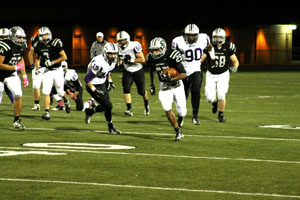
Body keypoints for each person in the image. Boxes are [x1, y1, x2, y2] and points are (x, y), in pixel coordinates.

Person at [172, 23, 214, 126]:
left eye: (193, 35)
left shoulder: (204, 38)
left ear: (197, 34)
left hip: (196, 69)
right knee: (182, 96)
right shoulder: (177, 41)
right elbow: (173, 57)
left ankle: (195, 116)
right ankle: (181, 116)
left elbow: (209, 47)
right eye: (189, 35)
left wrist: (212, 58)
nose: (191, 37)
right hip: (182, 71)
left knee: (196, 92)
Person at [147, 37, 187, 142]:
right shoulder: (151, 58)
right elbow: (152, 70)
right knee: (167, 108)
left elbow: (183, 74)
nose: (154, 53)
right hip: (164, 86)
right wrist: (152, 84)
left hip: (177, 85)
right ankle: (177, 130)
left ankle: (180, 118)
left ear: (163, 48)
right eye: (152, 50)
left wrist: (171, 78)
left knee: (182, 111)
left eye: (157, 50)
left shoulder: (172, 55)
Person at [201, 28, 239, 122]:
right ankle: (215, 102)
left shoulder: (228, 47)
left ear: (223, 38)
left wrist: (235, 67)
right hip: (210, 74)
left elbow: (235, 61)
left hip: (223, 74)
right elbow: (201, 59)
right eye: (215, 37)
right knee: (209, 98)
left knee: (221, 95)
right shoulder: (209, 47)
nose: (217, 39)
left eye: (219, 37)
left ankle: (221, 114)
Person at [84, 42, 121, 134]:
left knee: (106, 107)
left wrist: (110, 80)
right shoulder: (98, 62)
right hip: (92, 84)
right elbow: (87, 78)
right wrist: (94, 90)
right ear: (105, 53)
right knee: (109, 106)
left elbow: (107, 71)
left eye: (114, 53)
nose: (113, 56)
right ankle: (111, 127)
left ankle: (90, 111)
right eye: (110, 54)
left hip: (102, 83)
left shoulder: (112, 60)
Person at [34, 26, 69, 120]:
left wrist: (53, 62)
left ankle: (66, 100)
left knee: (60, 92)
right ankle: (47, 112)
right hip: (47, 71)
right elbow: (37, 58)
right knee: (46, 91)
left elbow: (64, 57)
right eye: (42, 35)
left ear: (49, 34)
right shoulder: (38, 45)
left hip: (57, 70)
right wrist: (37, 68)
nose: (45, 37)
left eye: (46, 34)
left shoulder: (55, 43)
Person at [0, 26, 28, 129]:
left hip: (11, 74)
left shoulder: (22, 46)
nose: (21, 40)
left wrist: (24, 75)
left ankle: (16, 121)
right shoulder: (4, 46)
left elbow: (20, 59)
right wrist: (14, 67)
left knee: (18, 94)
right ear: (12, 37)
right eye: (19, 37)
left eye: (22, 37)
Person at [116, 30, 149, 116]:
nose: (122, 42)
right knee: (126, 89)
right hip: (127, 71)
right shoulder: (117, 47)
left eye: (123, 40)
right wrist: (119, 63)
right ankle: (129, 109)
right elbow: (119, 57)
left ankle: (146, 105)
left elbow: (142, 59)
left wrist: (131, 60)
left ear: (127, 39)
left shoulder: (134, 45)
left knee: (141, 91)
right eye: (120, 41)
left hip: (138, 70)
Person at [29, 35, 45, 110]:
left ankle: (60, 103)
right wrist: (32, 64)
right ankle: (37, 104)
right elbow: (30, 54)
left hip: (47, 67)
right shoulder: (36, 44)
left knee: (50, 87)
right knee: (36, 86)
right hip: (37, 67)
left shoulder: (49, 45)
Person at [0, 27, 14, 104]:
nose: (4, 39)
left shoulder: (11, 47)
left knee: (7, 86)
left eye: (5, 37)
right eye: (2, 37)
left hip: (6, 70)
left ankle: (13, 101)